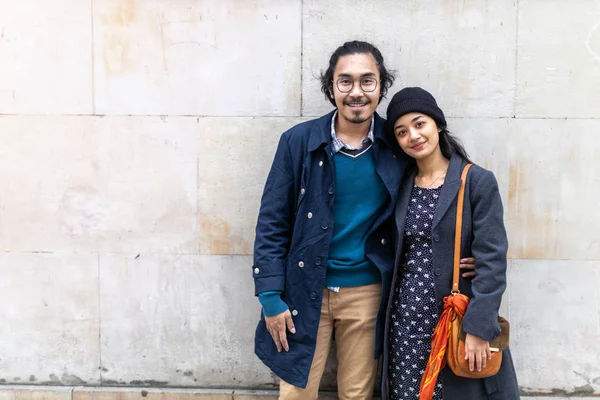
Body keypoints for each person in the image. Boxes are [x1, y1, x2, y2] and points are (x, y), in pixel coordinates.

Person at [252, 40, 476, 399]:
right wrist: (269, 296)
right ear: (331, 88)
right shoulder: (298, 142)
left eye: (367, 81)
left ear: (381, 87)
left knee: (357, 394)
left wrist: (471, 252)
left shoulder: (398, 143)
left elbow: (437, 192)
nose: (356, 92)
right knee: (296, 392)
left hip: (368, 292)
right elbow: (272, 221)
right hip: (304, 289)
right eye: (345, 81)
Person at [381, 87, 519, 400]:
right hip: (405, 324)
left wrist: (480, 329)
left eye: (419, 124)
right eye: (402, 132)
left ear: (437, 124)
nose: (413, 136)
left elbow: (492, 260)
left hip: (454, 321)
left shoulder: (476, 181)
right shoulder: (401, 185)